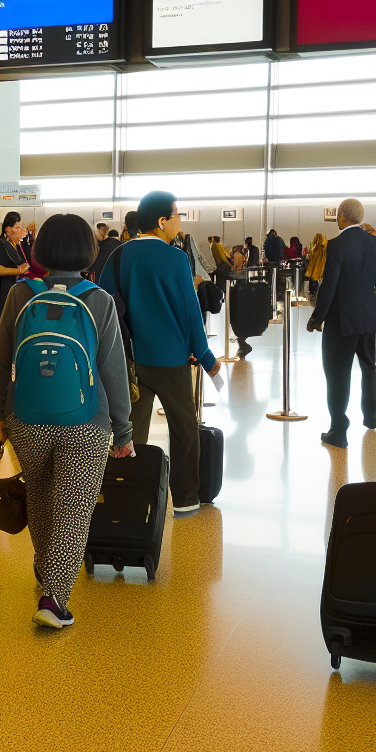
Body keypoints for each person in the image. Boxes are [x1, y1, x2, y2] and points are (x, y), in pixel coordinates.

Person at [0, 214, 132, 629]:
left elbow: (0, 359)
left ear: (40, 250)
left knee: (41, 494)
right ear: (88, 250)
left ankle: (46, 567)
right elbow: (113, 372)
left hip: (26, 417)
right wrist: (123, 429)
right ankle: (54, 598)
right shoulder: (99, 300)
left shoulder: (21, 293)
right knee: (73, 506)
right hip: (86, 421)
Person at [97, 190, 220, 516]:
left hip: (131, 362)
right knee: (184, 429)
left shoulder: (119, 257)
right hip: (171, 361)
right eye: (177, 214)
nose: (180, 220)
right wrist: (206, 357)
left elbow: (104, 305)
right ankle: (185, 499)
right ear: (162, 221)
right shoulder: (176, 258)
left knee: (131, 431)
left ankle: (128, 496)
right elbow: (189, 313)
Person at [303, 199, 376, 448]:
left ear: (342, 217)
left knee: (337, 374)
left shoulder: (337, 245)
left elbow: (328, 287)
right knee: (368, 366)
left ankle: (338, 430)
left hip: (341, 319)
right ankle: (371, 418)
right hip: (368, 317)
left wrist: (316, 318)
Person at [0, 212, 31, 327]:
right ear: (8, 229)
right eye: (17, 227)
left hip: (14, 290)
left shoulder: (15, 245)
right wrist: (17, 271)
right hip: (3, 291)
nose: (20, 230)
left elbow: (26, 261)